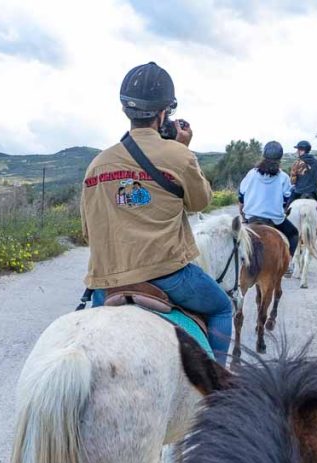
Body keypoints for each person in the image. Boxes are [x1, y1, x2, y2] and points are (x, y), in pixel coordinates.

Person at [80, 62, 234, 365]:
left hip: (106, 282)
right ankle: (218, 392)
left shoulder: (97, 164)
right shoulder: (177, 154)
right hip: (168, 275)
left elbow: (88, 231)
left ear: (126, 109)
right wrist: (183, 150)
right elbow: (200, 201)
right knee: (222, 308)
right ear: (164, 112)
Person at [238, 141, 299, 264]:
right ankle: (288, 263)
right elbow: (286, 199)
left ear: (263, 155)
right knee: (293, 234)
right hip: (274, 220)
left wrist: (244, 212)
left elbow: (241, 196)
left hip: (251, 217)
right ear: (280, 158)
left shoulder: (251, 173)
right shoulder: (283, 177)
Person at [289, 140, 317, 234]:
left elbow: (292, 181)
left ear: (301, 150)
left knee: (286, 207)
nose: (296, 152)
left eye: (297, 149)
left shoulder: (297, 163)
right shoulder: (316, 162)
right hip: (313, 192)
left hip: (298, 192)